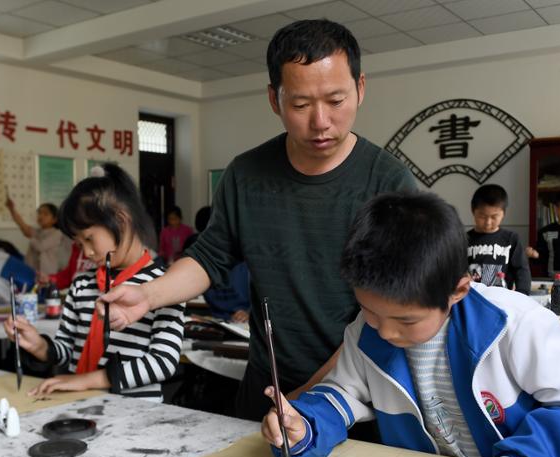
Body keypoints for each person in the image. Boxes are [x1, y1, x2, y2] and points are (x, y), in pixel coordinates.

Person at [100, 19, 416, 420]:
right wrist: (149, 295)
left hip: (358, 397)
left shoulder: (390, 184)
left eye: (336, 101)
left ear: (360, 88)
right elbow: (210, 257)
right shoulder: (246, 175)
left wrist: (308, 397)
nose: (321, 121)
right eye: (300, 105)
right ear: (274, 99)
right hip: (267, 387)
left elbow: (392, 312)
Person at [260, 191, 560, 457]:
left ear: (458, 290)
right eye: (369, 311)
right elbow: (341, 393)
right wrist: (305, 426)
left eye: (406, 320)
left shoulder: (513, 323)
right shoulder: (364, 332)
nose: (385, 332)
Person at [2, 164, 184, 401]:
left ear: (121, 221)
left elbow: (163, 362)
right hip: (80, 406)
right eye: (79, 244)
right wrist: (39, 346)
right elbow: (67, 349)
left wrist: (89, 380)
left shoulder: (165, 286)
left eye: (89, 239)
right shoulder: (82, 285)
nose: (86, 252)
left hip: (135, 412)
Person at [467, 184, 531, 294]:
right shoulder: (463, 239)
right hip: (473, 296)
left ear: (503, 214)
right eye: (482, 216)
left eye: (494, 217)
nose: (488, 222)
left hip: (502, 297)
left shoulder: (511, 239)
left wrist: (522, 294)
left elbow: (521, 270)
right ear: (473, 211)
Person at [5, 197, 71, 276]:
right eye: (39, 213)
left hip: (47, 274)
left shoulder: (57, 233)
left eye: (46, 214)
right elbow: (21, 224)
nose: (41, 216)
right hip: (32, 271)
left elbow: (41, 246)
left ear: (54, 219)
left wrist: (31, 237)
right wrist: (12, 209)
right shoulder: (37, 231)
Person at [525, 191, 560, 277]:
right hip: (551, 278)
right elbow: (541, 258)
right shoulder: (546, 232)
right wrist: (534, 255)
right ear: (556, 209)